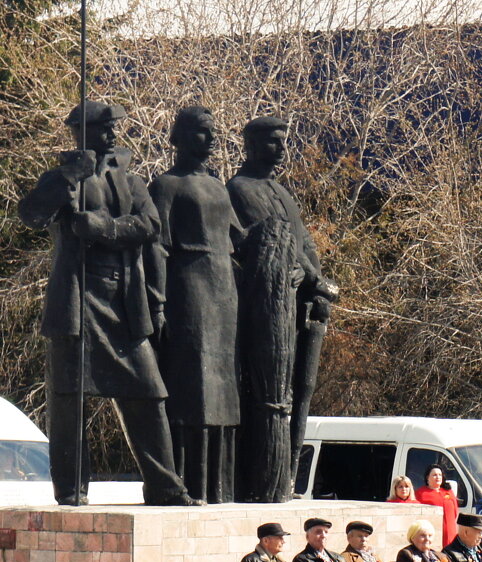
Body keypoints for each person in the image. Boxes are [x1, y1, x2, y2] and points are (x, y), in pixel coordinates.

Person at [17, 100, 195, 508]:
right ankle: (71, 491)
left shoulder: (130, 181)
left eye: (113, 128)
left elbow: (151, 225)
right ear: (79, 132)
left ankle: (166, 487)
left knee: (149, 394)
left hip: (124, 304)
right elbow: (31, 214)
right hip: (77, 304)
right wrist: (66, 177)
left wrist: (105, 227)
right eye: (102, 129)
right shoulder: (63, 179)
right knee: (69, 401)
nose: (111, 135)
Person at [227, 116, 337, 503]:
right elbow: (274, 243)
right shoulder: (240, 190)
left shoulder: (281, 191)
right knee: (271, 394)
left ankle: (287, 474)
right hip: (266, 307)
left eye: (282, 141)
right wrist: (317, 281)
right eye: (272, 142)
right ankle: (268, 475)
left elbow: (305, 244)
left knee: (300, 391)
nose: (281, 149)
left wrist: (316, 283)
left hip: (298, 303)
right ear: (252, 145)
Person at [148, 106, 242, 504]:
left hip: (225, 292)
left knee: (223, 386)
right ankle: (187, 482)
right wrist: (158, 302)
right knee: (193, 385)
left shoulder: (219, 186)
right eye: (202, 132)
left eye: (212, 132)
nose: (210, 140)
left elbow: (240, 238)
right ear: (181, 136)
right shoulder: (166, 185)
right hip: (189, 287)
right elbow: (156, 246)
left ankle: (221, 485)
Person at [416, 464, 459, 547]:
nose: (438, 477)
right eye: (434, 475)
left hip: (450, 534)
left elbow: (455, 512)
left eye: (440, 475)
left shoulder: (448, 491)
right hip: (432, 535)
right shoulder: (420, 493)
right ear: (427, 477)